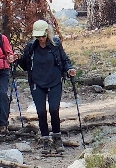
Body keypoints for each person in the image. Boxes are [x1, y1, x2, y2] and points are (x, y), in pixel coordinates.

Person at [17, 19, 75, 153]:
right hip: (37, 82)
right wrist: (17, 59)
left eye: (42, 36)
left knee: (54, 109)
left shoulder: (55, 44)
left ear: (47, 33)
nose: (40, 39)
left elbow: (64, 60)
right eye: (38, 36)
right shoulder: (31, 47)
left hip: (54, 81)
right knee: (41, 112)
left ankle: (57, 138)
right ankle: (45, 140)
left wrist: (69, 69)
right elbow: (25, 66)